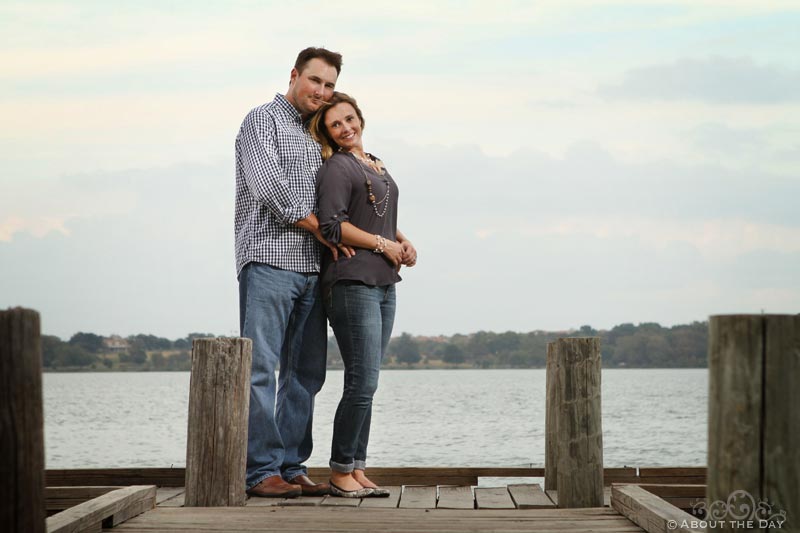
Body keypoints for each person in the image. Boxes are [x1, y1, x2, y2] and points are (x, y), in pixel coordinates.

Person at [235, 47, 352, 498]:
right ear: (294, 76)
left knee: (306, 374)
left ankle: (291, 466)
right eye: (315, 81)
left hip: (312, 272)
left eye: (328, 85)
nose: (321, 92)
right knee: (262, 369)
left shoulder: (317, 136)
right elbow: (272, 190)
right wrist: (325, 233)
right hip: (268, 262)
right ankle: (261, 472)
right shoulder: (261, 121)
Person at [310, 92, 417, 497]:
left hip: (384, 281)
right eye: (336, 124)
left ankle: (356, 467)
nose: (346, 128)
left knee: (369, 382)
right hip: (351, 282)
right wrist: (382, 244)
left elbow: (380, 217)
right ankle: (339, 471)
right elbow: (334, 225)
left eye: (350, 119)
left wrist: (403, 242)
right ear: (328, 133)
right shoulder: (336, 168)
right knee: (362, 381)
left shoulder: (375, 161)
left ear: (361, 118)